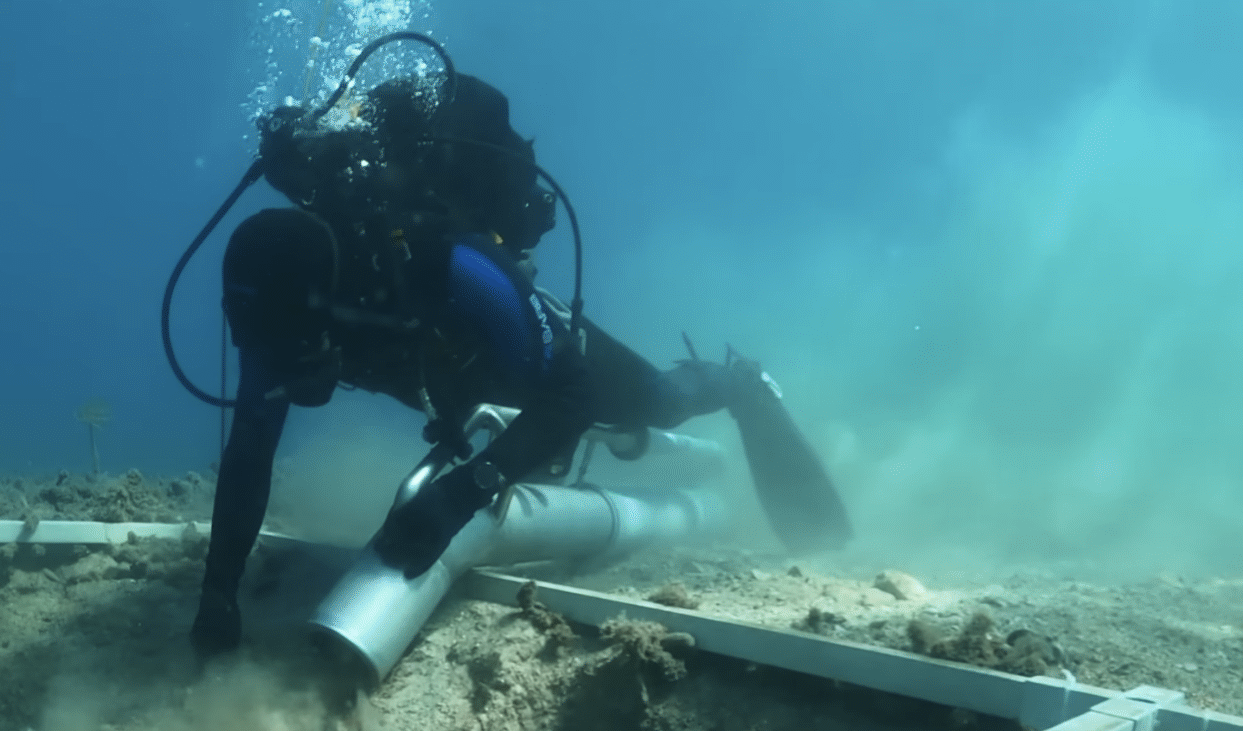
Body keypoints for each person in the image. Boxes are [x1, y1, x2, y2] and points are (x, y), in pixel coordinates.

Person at [168, 40, 848, 661]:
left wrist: (467, 490)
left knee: (655, 405)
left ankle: (739, 384)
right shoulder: (278, 307)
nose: (284, 376)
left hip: (507, 346)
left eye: (299, 356)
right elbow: (252, 447)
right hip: (442, 371)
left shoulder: (447, 260)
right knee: (505, 452)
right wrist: (219, 590)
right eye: (273, 355)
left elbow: (572, 393)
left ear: (334, 302)